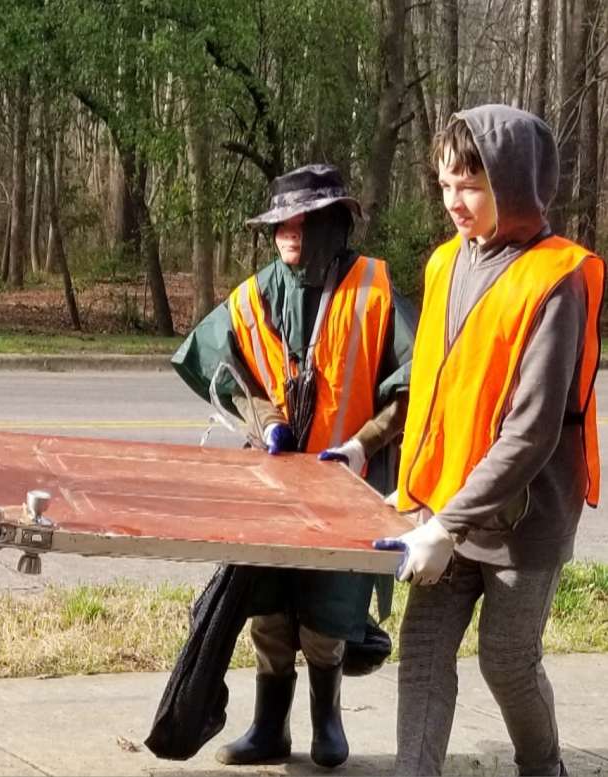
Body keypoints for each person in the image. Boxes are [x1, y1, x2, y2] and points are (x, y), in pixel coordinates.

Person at [375, 105, 603, 776]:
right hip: (446, 510)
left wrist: (448, 521)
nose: (453, 200)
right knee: (420, 653)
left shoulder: (557, 276)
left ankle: (544, 766)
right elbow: (435, 386)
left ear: (515, 180)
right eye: (445, 183)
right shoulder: (445, 264)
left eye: (469, 184)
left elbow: (531, 429)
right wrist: (390, 463)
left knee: (506, 659)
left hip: (521, 519)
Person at [172, 163, 416, 769]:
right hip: (272, 482)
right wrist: (264, 421)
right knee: (270, 604)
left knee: (329, 608)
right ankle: (268, 729)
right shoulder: (256, 294)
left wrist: (363, 443)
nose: (287, 234)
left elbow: (415, 386)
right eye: (280, 223)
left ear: (334, 225)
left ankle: (327, 724)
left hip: (345, 482)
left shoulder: (376, 290)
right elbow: (219, 368)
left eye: (301, 222)